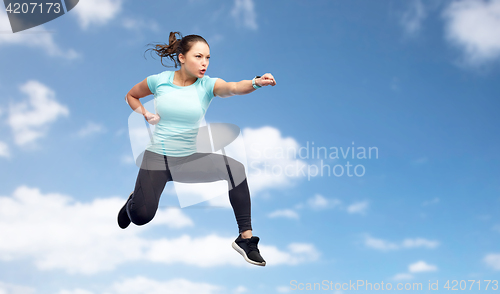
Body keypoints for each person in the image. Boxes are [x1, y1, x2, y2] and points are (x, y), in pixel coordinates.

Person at [117, 31, 276, 267]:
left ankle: (246, 239)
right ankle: (135, 199)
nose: (204, 63)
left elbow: (233, 87)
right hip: (157, 159)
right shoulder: (158, 80)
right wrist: (145, 113)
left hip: (188, 160)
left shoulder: (207, 85)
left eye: (208, 58)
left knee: (236, 169)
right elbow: (131, 95)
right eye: (199, 56)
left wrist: (255, 82)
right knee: (141, 217)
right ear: (181, 57)